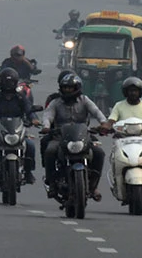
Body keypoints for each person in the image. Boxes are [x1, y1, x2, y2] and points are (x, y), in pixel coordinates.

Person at [42, 72, 107, 201]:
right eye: (65, 87)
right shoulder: (56, 102)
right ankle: (52, 182)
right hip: (61, 137)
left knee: (99, 153)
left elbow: (97, 112)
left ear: (77, 88)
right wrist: (46, 126)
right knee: (50, 151)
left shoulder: (85, 100)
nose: (68, 90)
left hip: (83, 136)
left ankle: (93, 186)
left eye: (70, 88)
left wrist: (104, 123)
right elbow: (48, 114)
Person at [0, 68, 39, 186]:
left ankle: (28, 172)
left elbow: (29, 109)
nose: (8, 85)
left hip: (18, 129)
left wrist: (34, 119)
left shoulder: (21, 97)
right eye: (6, 82)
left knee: (31, 145)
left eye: (11, 82)